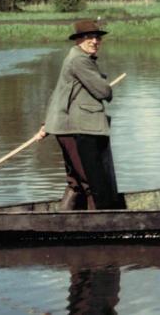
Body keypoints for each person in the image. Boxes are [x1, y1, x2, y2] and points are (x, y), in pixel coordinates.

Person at [39, 19, 119, 210]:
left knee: (76, 182)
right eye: (88, 37)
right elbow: (104, 92)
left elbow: (58, 92)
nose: (94, 41)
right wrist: (104, 84)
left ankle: (62, 222)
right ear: (78, 40)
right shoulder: (79, 60)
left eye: (97, 38)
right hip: (78, 129)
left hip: (68, 128)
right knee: (93, 182)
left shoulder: (74, 58)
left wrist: (46, 124)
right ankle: (99, 224)